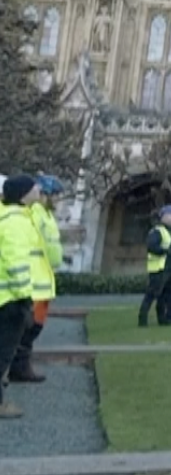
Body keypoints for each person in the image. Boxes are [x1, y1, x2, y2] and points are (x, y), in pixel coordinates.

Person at [9, 175, 62, 384]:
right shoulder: (36, 215)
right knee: (29, 328)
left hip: (42, 280)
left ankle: (20, 366)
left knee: (32, 328)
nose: (58, 200)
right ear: (45, 195)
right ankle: (19, 368)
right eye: (55, 195)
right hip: (34, 281)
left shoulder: (45, 215)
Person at [0, 176, 46, 419]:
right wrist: (24, 299)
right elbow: (16, 263)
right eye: (33, 186)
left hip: (6, 296)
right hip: (11, 300)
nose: (38, 189)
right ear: (23, 194)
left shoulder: (10, 218)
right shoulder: (17, 222)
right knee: (3, 353)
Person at [138, 206, 171, 328]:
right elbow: (152, 247)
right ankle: (142, 319)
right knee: (151, 295)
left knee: (165, 296)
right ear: (162, 217)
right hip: (158, 269)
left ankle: (162, 319)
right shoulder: (157, 231)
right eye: (168, 215)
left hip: (170, 269)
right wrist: (165, 251)